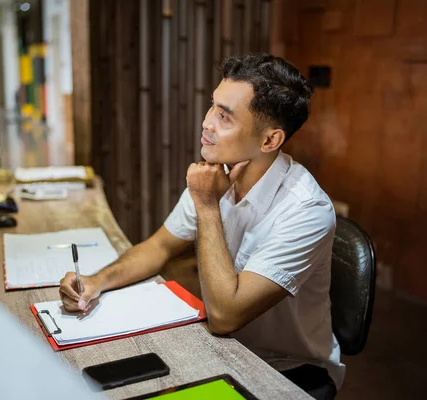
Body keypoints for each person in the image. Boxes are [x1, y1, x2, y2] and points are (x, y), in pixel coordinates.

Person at [59, 53, 343, 400]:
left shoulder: (305, 210)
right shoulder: (223, 168)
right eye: (212, 106)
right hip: (222, 350)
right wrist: (94, 282)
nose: (207, 123)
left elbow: (225, 315)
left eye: (225, 117)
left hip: (288, 372)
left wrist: (207, 205)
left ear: (270, 140)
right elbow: (159, 247)